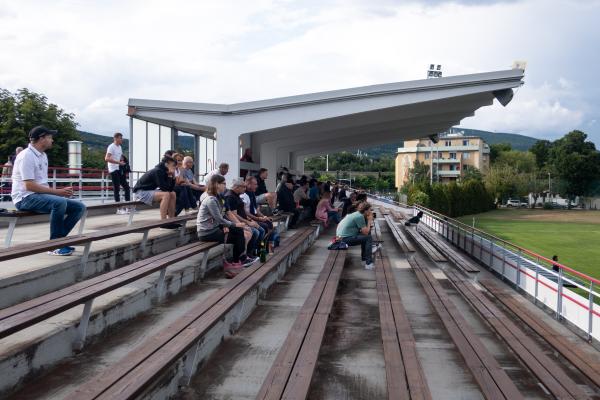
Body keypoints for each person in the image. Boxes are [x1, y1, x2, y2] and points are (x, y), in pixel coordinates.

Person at [12, 126, 86, 255]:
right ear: (41, 138)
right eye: (50, 137)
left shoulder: (42, 155)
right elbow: (29, 186)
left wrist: (59, 193)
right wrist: (58, 192)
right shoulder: (26, 156)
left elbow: (41, 185)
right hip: (24, 198)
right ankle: (54, 245)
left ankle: (58, 241)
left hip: (38, 195)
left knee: (79, 207)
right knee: (59, 202)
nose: (52, 140)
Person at [197, 175, 248, 277]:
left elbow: (223, 214)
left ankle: (237, 261)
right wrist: (235, 224)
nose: (226, 186)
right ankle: (237, 262)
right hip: (207, 233)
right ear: (216, 184)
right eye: (223, 184)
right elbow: (219, 219)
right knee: (238, 233)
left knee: (239, 232)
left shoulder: (220, 198)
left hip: (214, 229)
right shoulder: (210, 200)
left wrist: (227, 226)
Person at [132, 155, 178, 227]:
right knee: (166, 194)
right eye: (173, 165)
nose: (175, 167)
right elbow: (164, 188)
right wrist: (169, 176)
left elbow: (170, 189)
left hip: (149, 190)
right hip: (141, 192)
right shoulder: (158, 171)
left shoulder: (164, 171)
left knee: (173, 193)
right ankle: (163, 222)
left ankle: (171, 220)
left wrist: (173, 177)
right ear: (166, 164)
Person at [224, 178, 261, 262]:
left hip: (240, 222)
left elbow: (242, 212)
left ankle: (251, 253)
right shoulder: (230, 196)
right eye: (243, 187)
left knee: (261, 229)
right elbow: (233, 214)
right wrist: (245, 224)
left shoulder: (237, 196)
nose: (245, 188)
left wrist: (250, 220)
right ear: (236, 187)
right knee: (254, 232)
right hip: (232, 225)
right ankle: (244, 256)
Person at [336, 202, 380, 270]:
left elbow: (364, 231)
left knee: (365, 237)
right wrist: (369, 220)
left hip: (341, 237)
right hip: (343, 239)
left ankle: (365, 258)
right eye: (370, 210)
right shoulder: (359, 216)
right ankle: (368, 263)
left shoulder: (357, 214)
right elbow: (366, 232)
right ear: (365, 211)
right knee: (368, 238)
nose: (371, 212)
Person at [241, 175, 274, 243]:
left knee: (269, 223)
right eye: (255, 184)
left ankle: (262, 245)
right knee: (263, 227)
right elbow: (244, 212)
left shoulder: (252, 193)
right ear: (248, 184)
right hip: (246, 219)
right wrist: (258, 219)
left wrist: (264, 217)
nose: (257, 186)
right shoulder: (243, 195)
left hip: (253, 218)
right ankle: (256, 248)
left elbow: (256, 209)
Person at [105, 132, 131, 213]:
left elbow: (120, 157)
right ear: (115, 138)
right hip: (113, 169)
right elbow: (106, 158)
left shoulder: (119, 147)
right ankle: (119, 209)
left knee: (127, 187)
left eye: (121, 138)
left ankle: (128, 207)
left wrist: (123, 162)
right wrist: (119, 162)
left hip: (119, 169)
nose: (121, 140)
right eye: (120, 138)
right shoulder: (111, 147)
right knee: (116, 189)